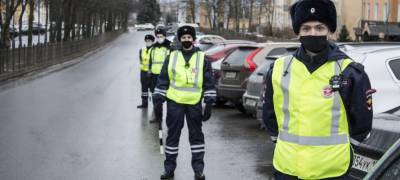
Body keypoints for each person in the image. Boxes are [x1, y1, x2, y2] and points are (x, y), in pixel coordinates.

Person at [262, 0, 374, 179]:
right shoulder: (278, 69)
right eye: (306, 28)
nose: (312, 33)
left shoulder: (350, 72)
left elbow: (362, 123)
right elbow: (269, 114)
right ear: (298, 31)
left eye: (319, 27)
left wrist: (346, 149)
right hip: (288, 169)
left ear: (330, 30)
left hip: (332, 171)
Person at [153, 25, 216, 180]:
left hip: (194, 104)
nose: (186, 40)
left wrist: (209, 103)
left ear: (193, 39)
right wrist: (158, 99)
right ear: (179, 40)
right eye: (183, 38)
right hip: (175, 103)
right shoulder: (172, 56)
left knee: (196, 138)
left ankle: (198, 171)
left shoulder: (202, 58)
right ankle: (169, 170)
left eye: (189, 38)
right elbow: (163, 79)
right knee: (173, 137)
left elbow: (208, 82)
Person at [149, 28, 172, 122]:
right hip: (155, 76)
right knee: (156, 97)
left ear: (165, 36)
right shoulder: (153, 47)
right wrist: (149, 71)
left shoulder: (170, 46)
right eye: (157, 36)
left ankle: (170, 117)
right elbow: (151, 60)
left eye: (161, 36)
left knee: (169, 96)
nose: (159, 38)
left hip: (167, 76)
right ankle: (157, 115)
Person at [137, 34, 155, 108]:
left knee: (153, 89)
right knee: (144, 89)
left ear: (152, 41)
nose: (148, 42)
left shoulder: (154, 49)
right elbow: (141, 60)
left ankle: (155, 105)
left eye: (149, 41)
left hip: (152, 72)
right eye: (147, 41)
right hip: (143, 72)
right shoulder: (142, 49)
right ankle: (144, 104)